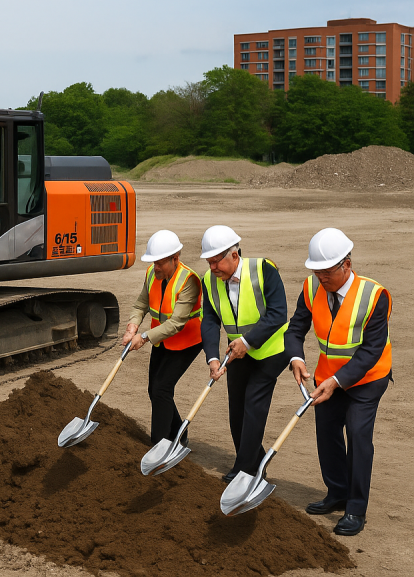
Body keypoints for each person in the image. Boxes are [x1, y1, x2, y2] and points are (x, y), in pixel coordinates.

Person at [284, 228, 391, 536]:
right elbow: (295, 330)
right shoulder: (310, 287)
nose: (321, 278)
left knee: (358, 435)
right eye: (316, 271)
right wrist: (296, 359)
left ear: (347, 263)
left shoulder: (375, 296)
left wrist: (337, 381)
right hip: (326, 376)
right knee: (327, 433)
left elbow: (371, 350)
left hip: (368, 379)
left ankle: (356, 508)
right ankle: (338, 493)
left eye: (327, 271)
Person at [199, 225, 289, 484]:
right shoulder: (209, 280)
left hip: (271, 351)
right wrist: (212, 357)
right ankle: (252, 459)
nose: (212, 267)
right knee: (236, 410)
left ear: (234, 255)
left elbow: (278, 313)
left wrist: (248, 342)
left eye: (216, 261)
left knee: (253, 406)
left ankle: (245, 470)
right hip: (236, 353)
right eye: (209, 262)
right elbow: (210, 319)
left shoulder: (264, 270)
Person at [122, 230, 203, 445]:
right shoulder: (152, 273)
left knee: (161, 389)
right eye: (153, 262)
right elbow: (141, 304)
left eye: (160, 263)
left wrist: (144, 337)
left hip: (187, 341)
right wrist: (132, 327)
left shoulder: (189, 281)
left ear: (175, 259)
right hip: (161, 339)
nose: (155, 267)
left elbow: (176, 323)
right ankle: (179, 434)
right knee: (155, 390)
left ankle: (158, 443)